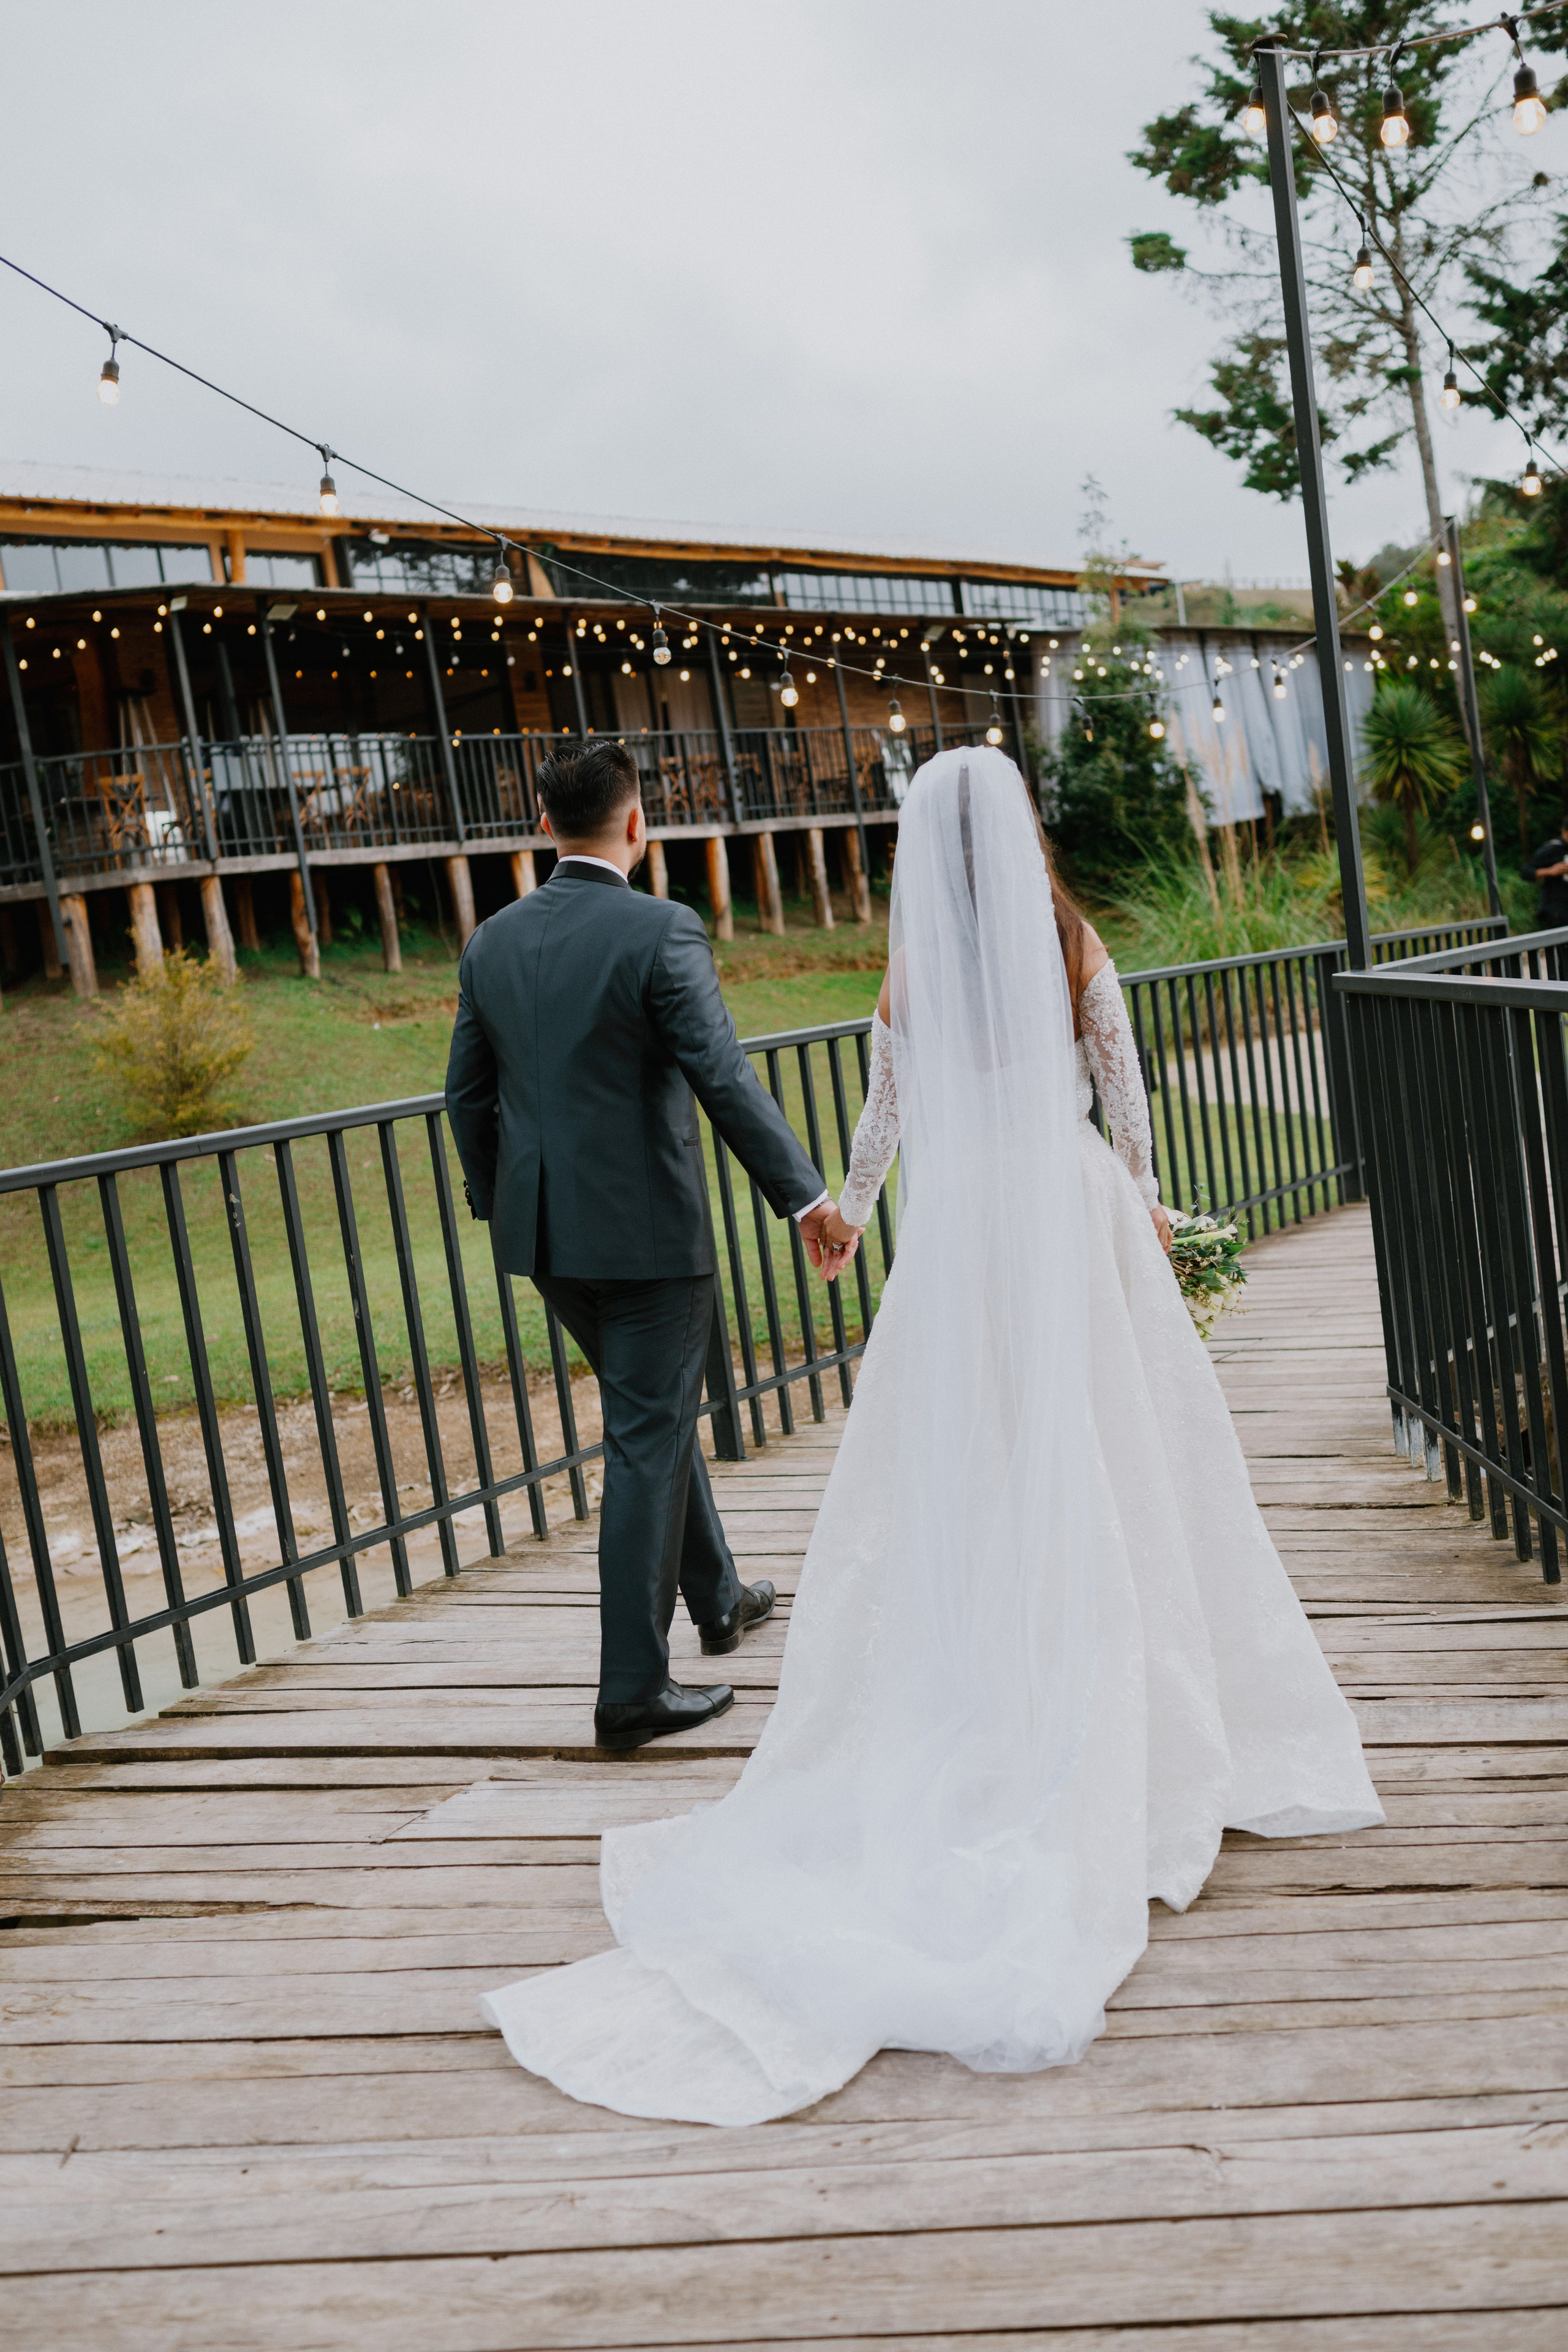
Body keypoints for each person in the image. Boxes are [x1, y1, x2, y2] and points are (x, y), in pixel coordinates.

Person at [478, 746, 1384, 2127]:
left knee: (970, 1472)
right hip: (1069, 1228)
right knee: (1114, 1458)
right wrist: (1144, 1207)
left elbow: (882, 1123)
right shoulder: (1073, 941)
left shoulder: (904, 975)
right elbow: (1126, 1106)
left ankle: (977, 1682)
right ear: (1017, 825)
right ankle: (1129, 1681)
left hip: (958, 1247)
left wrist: (840, 1208)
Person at [445, 739, 839, 1754]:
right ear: (638, 823)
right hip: (653, 1239)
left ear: (544, 825)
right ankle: (631, 1687)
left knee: (647, 1417)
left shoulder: (491, 940)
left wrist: (509, 1205)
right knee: (646, 1435)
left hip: (548, 1240)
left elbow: (466, 1098)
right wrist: (804, 1199)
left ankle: (718, 1598)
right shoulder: (663, 929)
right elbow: (723, 1076)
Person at [1523, 815, 1568, 930]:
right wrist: (1550, 871)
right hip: (1556, 911)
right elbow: (1526, 871)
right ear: (1564, 832)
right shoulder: (1553, 848)